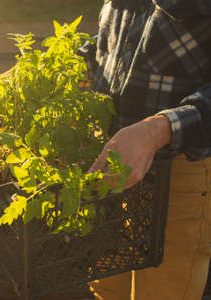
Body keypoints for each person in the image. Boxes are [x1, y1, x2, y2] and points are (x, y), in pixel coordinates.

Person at [78, 0, 211, 299]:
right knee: (108, 284)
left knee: (163, 289)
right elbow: (115, 45)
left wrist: (156, 131)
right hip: (111, 162)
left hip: (179, 170)